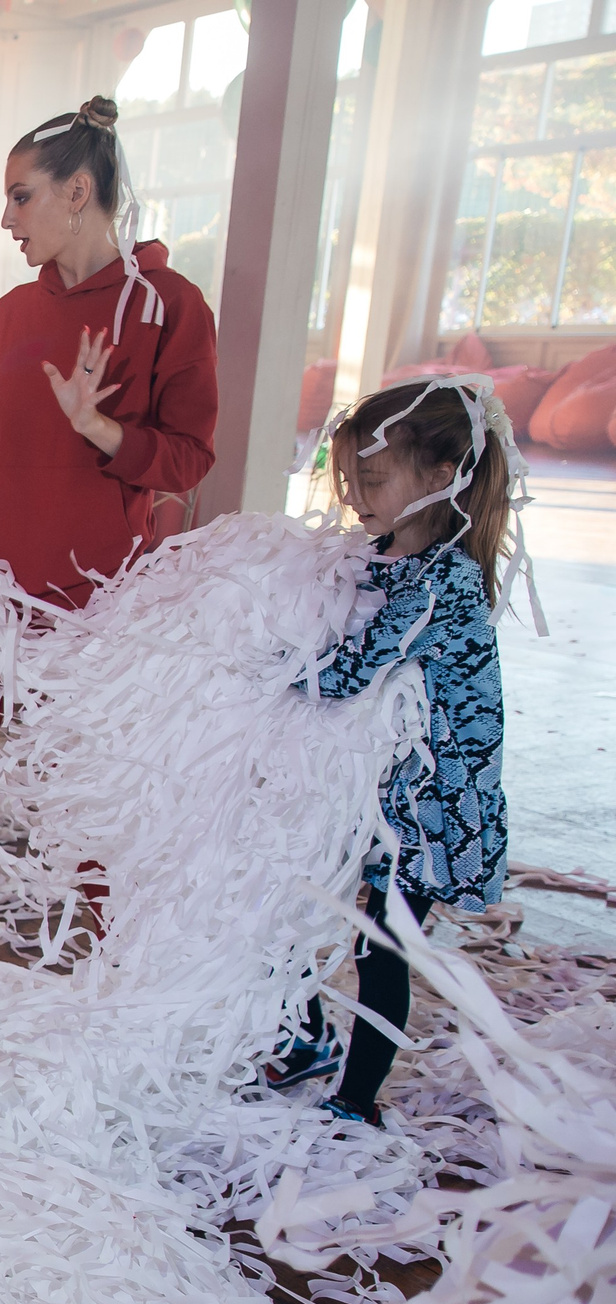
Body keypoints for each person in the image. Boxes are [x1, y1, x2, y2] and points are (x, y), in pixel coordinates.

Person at [0, 96, 218, 924]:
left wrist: (99, 428)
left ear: (79, 191)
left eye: (20, 195)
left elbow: (188, 459)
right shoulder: (11, 315)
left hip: (99, 603)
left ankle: (106, 970)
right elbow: (11, 444)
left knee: (94, 782)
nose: (6, 218)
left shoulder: (170, 308)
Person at [265, 378, 511, 1127]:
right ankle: (305, 1040)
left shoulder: (446, 583)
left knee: (384, 947)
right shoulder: (382, 555)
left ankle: (357, 1099)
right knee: (295, 908)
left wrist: (259, 661)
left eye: (371, 480)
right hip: (380, 789)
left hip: (432, 806)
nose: (355, 497)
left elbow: (346, 673)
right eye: (347, 481)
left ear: (440, 476)